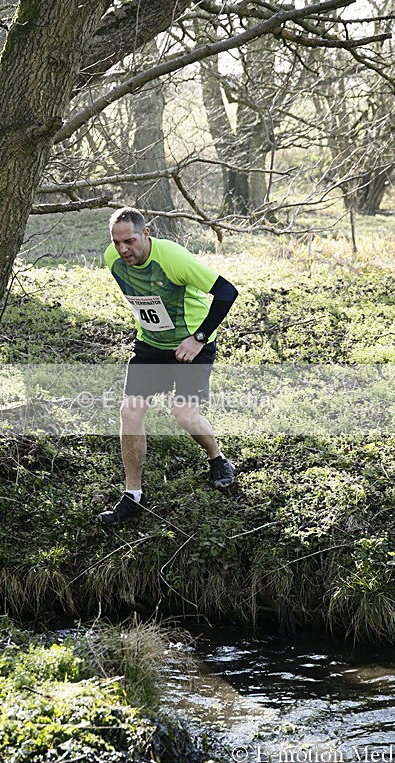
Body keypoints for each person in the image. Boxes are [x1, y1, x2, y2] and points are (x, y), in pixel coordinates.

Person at [98, 207, 238, 525]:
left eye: (130, 241)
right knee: (129, 412)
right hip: (151, 345)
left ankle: (218, 459)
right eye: (116, 242)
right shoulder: (112, 258)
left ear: (146, 234)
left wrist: (199, 337)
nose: (123, 250)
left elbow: (227, 292)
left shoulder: (173, 259)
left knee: (185, 415)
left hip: (191, 344)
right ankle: (133, 495)